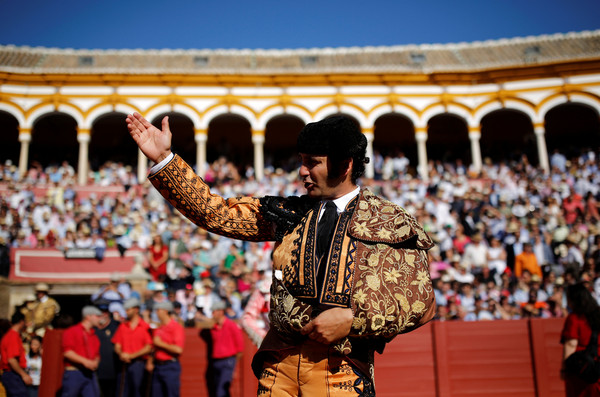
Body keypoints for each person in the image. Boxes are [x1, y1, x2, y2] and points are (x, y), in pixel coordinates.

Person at [127, 112, 435, 395]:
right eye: (301, 160)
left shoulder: (387, 222)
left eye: (312, 162)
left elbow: (420, 304)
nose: (301, 171)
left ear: (345, 165)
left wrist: (353, 319)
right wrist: (165, 160)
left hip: (339, 370)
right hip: (278, 367)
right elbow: (214, 213)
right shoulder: (289, 212)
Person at [561, 282, 600, 396]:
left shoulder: (574, 318)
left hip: (581, 369)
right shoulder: (598, 315)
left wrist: (564, 369)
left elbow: (571, 345)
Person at [200, 301, 245, 397]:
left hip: (228, 362)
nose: (212, 314)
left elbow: (240, 349)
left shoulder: (231, 325)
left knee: (221, 391)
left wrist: (234, 367)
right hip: (215, 362)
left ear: (220, 312)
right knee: (219, 390)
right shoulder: (214, 327)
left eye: (214, 312)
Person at [112, 297, 152, 397]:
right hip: (124, 362)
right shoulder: (123, 326)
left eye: (128, 309)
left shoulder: (145, 326)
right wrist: (121, 354)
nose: (126, 312)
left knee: (138, 391)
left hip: (138, 363)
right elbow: (117, 345)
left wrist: (131, 356)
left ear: (136, 309)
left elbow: (148, 347)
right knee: (122, 392)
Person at [61, 306, 102, 397]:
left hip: (89, 373)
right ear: (88, 317)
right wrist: (86, 362)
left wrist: (96, 362)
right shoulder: (72, 331)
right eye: (97, 316)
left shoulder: (94, 335)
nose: (100, 319)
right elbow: (67, 352)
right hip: (74, 372)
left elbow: (97, 354)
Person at [148, 301, 185, 397]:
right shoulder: (160, 328)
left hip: (170, 365)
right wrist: (150, 361)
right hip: (158, 365)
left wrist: (161, 344)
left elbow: (178, 349)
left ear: (165, 311)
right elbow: (154, 348)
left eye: (158, 310)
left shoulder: (175, 327)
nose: (156, 313)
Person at [0, 311, 32, 396]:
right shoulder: (13, 336)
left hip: (11, 374)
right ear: (22, 322)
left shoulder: (10, 335)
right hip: (13, 374)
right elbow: (11, 359)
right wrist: (24, 375)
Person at [93, 300, 121, 397]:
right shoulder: (92, 327)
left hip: (112, 371)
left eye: (105, 311)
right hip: (94, 370)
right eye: (99, 311)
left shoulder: (116, 326)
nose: (102, 314)